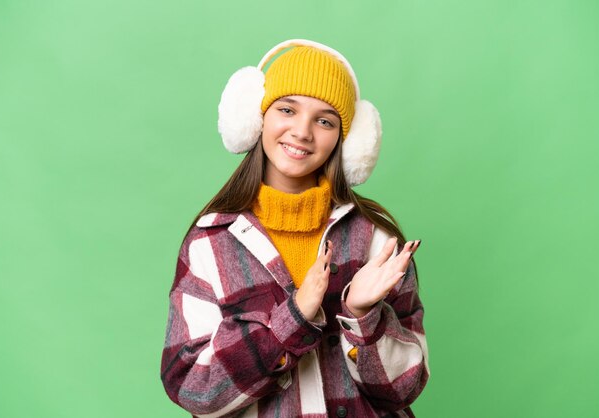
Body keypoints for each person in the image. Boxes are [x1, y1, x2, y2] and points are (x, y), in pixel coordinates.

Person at [161, 39, 429, 418]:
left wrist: (362, 316)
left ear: (346, 140)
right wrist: (291, 320)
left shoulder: (377, 241)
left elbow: (403, 391)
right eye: (287, 109)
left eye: (324, 120)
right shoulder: (209, 243)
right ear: (256, 118)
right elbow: (193, 388)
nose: (302, 132)